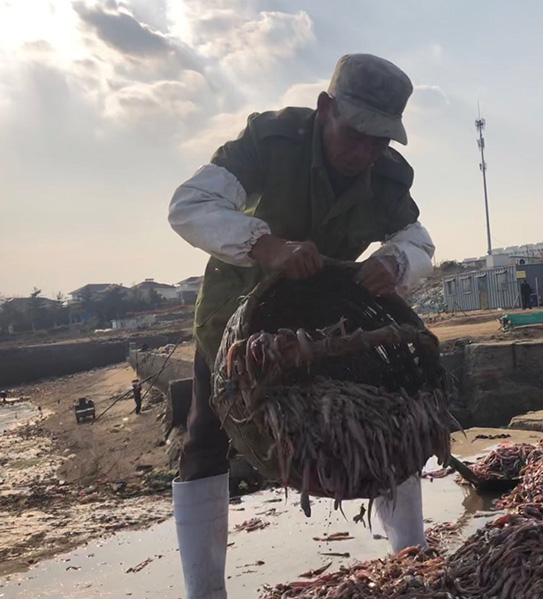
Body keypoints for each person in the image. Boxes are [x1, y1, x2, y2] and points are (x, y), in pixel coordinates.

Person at [168, 54, 435, 599]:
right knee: (203, 439)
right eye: (355, 133)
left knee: (395, 418)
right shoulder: (272, 142)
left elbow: (418, 239)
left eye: (379, 141)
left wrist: (395, 262)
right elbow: (189, 204)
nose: (364, 152)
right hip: (237, 316)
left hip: (332, 325)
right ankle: (204, 591)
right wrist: (265, 247)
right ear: (325, 109)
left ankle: (411, 556)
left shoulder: (384, 176)